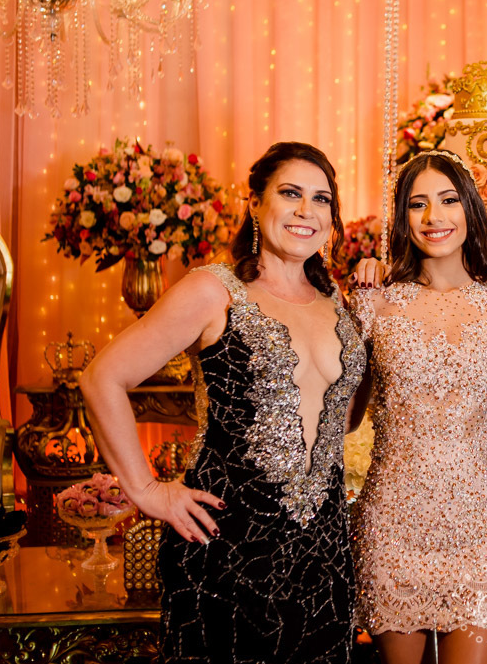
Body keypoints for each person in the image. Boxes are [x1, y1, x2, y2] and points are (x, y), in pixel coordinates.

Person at [81, 141, 368, 664]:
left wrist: (372, 322)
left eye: (322, 199)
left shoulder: (339, 304)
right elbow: (103, 378)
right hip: (226, 545)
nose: (307, 211)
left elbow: (342, 421)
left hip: (323, 554)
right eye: (290, 193)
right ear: (255, 203)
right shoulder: (214, 291)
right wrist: (146, 490)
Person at [349, 149, 487, 664]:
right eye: (418, 204)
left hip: (480, 528)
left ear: (470, 208)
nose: (434, 217)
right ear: (402, 217)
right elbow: (345, 416)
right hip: (393, 524)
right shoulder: (374, 302)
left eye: (449, 200)